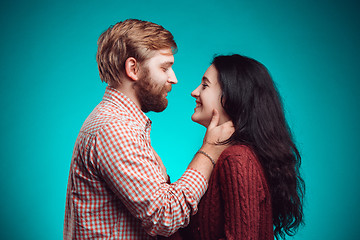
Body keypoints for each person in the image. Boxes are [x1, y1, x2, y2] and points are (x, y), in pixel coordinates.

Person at [63, 19, 234, 239]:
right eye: (164, 67)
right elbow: (166, 216)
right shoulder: (115, 129)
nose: (174, 78)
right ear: (133, 68)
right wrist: (209, 150)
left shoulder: (116, 123)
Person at [166, 54, 305, 240]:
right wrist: (162, 184)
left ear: (231, 96)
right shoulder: (220, 155)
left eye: (205, 85)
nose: (194, 92)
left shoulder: (236, 159)